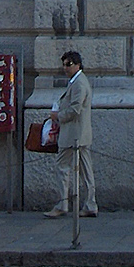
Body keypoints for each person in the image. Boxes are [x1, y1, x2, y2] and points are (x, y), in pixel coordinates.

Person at [44, 50, 96, 218]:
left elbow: (75, 109)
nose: (65, 68)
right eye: (64, 64)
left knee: (62, 167)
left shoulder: (79, 83)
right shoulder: (77, 81)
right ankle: (89, 204)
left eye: (69, 64)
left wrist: (57, 116)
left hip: (73, 135)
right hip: (79, 134)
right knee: (85, 171)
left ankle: (63, 204)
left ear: (78, 65)